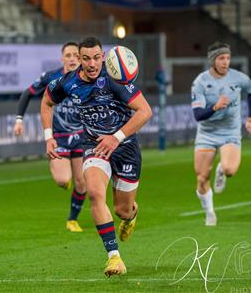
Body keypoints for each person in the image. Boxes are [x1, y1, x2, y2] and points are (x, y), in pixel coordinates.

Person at [40, 37, 152, 277]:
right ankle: (114, 258)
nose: (92, 64)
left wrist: (116, 137)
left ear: (103, 57)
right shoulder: (67, 82)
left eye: (97, 57)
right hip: (94, 145)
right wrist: (49, 136)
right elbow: (47, 102)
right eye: (86, 58)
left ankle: (130, 216)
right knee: (95, 192)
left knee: (122, 209)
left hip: (125, 147)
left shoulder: (115, 80)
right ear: (79, 60)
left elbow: (145, 111)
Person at [13, 42, 86, 232]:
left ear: (80, 58)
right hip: (59, 137)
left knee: (81, 182)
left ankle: (72, 220)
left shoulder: (88, 77)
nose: (72, 59)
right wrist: (19, 119)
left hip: (81, 136)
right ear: (62, 58)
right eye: (68, 55)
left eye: (75, 56)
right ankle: (61, 171)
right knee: (63, 180)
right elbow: (27, 94)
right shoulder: (52, 77)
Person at [191, 42, 251, 227]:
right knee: (202, 177)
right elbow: (198, 115)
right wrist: (214, 107)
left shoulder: (238, 78)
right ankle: (210, 214)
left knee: (230, 170)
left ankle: (221, 169)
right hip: (207, 133)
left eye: (227, 58)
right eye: (221, 58)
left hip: (230, 132)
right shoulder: (200, 82)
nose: (225, 62)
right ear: (213, 60)